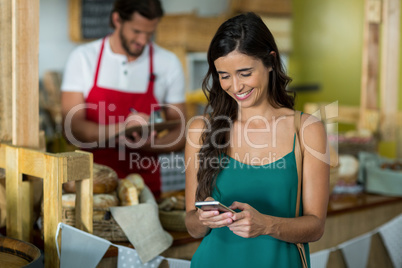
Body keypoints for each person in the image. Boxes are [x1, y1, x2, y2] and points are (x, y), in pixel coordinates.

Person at [185, 12, 329, 267]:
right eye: (224, 75)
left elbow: (316, 226)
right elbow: (192, 227)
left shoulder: (307, 129)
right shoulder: (201, 130)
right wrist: (203, 219)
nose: (236, 87)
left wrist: (267, 225)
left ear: (271, 61)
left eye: (244, 73)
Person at [61, 0, 186, 198]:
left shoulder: (168, 63)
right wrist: (123, 129)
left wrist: (147, 142)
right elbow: (71, 128)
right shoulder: (83, 58)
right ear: (117, 19)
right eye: (136, 31)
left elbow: (181, 130)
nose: (143, 40)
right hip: (92, 184)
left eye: (149, 33)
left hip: (144, 187)